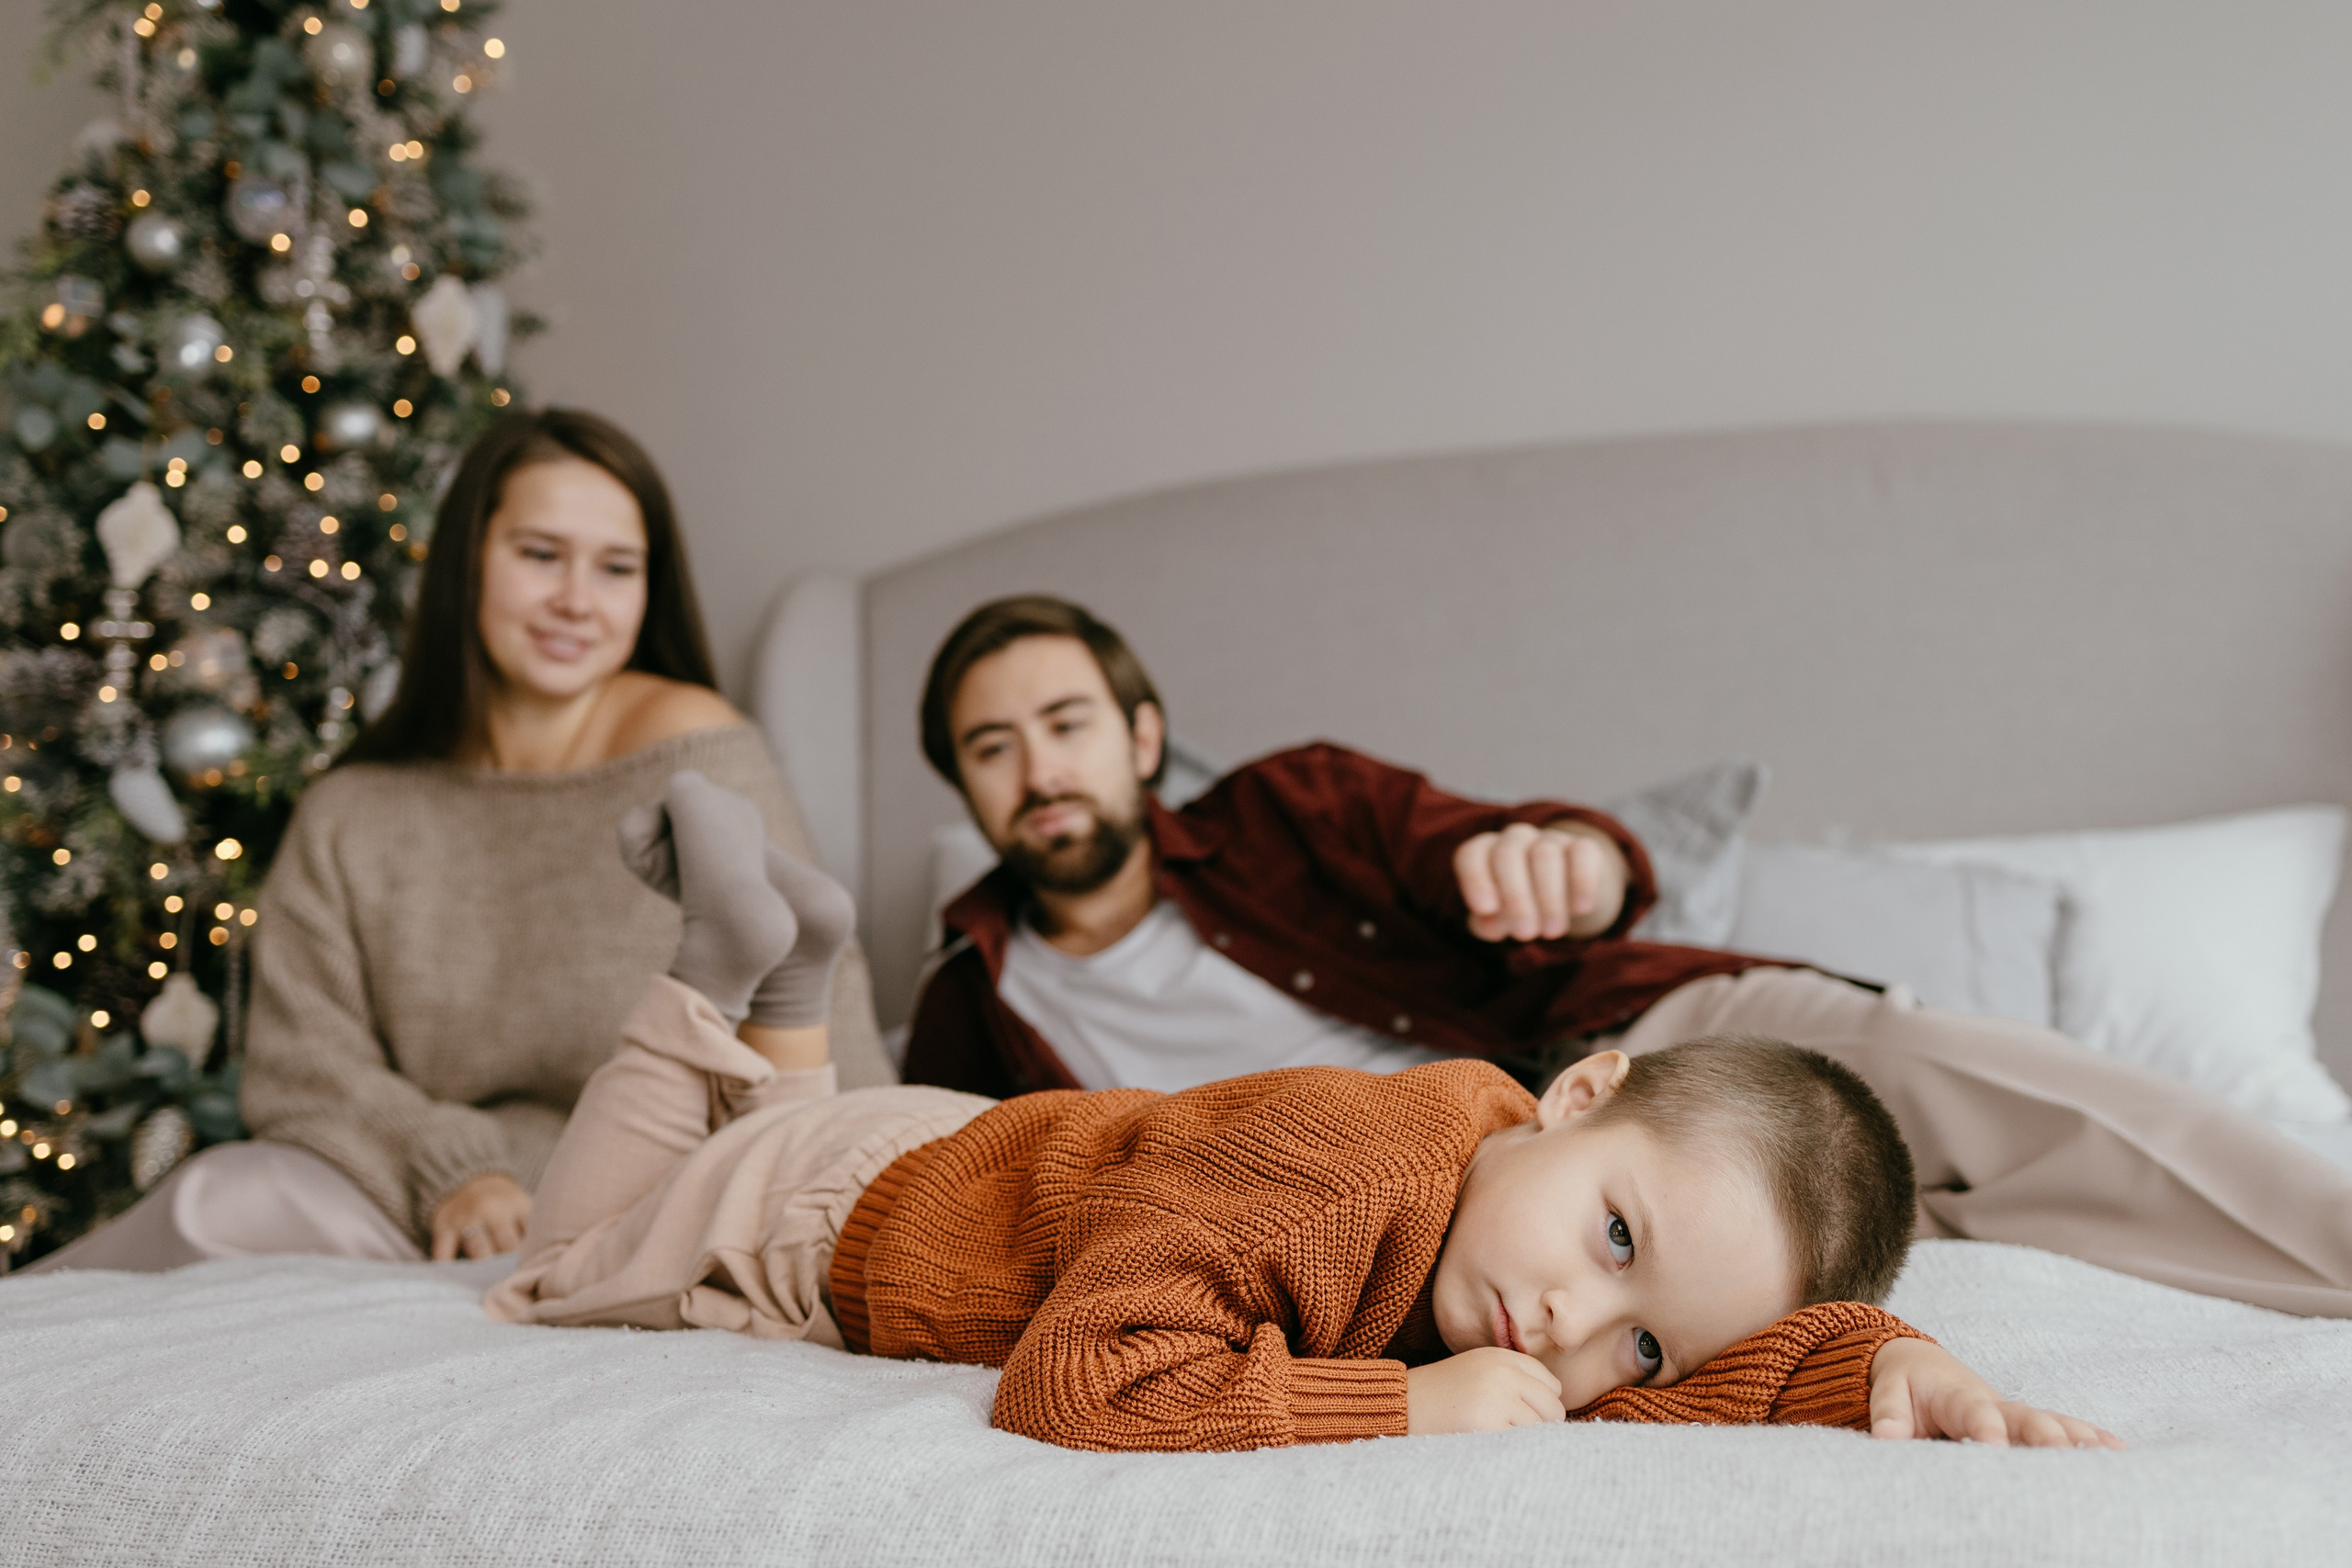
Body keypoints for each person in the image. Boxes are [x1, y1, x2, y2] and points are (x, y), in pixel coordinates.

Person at [486, 768, 2120, 1454]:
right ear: (1579, 1086)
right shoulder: (1345, 1174)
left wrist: (1875, 1361)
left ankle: (794, 990)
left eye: (1639, 1343)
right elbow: (1075, 1377)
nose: (1568, 1327)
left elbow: (1693, 1348)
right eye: (1613, 1236)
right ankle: (728, 970)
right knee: (571, 1250)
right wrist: (1393, 1410)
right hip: (840, 1212)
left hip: (961, 1150)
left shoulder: (1514, 1206)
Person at [899, 595, 2352, 1319]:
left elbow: (1519, 847)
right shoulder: (972, 1003)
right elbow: (957, 1194)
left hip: (1611, 1046)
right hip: (1403, 1232)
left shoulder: (1295, 804)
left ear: (1141, 738)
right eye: (993, 744)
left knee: (1934, 1082)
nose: (1041, 768)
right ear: (964, 787)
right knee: (1874, 1247)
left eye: (1067, 723)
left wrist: (1576, 860)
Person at [30, 409, 887, 1274]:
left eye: (617, 568)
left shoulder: (699, 757)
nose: (576, 601)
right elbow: (303, 1066)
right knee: (223, 1199)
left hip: (662, 1206)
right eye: (540, 554)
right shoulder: (355, 812)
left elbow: (818, 1002)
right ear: (467, 561)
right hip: (423, 1208)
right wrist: (453, 1170)